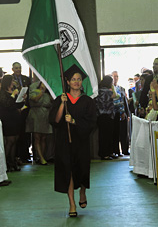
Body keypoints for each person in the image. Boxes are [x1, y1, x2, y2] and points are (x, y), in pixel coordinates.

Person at [49, 64, 96, 217]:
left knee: (82, 170)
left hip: (81, 141)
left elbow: (92, 123)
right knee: (68, 172)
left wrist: (75, 122)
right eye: (73, 79)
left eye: (79, 79)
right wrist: (63, 104)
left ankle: (82, 191)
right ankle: (72, 204)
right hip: (64, 141)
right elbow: (55, 121)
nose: (76, 82)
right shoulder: (60, 99)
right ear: (67, 82)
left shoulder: (87, 101)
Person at [0, 74, 26, 172]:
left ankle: (13, 162)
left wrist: (23, 98)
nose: (13, 82)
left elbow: (17, 104)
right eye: (12, 80)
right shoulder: (2, 93)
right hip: (7, 119)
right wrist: (13, 95)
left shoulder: (13, 91)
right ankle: (6, 163)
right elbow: (6, 104)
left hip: (15, 118)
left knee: (15, 140)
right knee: (9, 141)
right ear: (7, 82)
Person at [26, 80, 53, 165]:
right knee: (37, 137)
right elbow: (35, 99)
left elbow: (52, 101)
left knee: (44, 137)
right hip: (36, 115)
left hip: (45, 115)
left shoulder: (48, 93)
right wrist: (41, 92)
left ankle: (42, 156)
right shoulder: (34, 90)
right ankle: (40, 158)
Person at [12, 62, 31, 163]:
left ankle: (25, 155)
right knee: (16, 134)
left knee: (25, 134)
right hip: (15, 109)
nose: (18, 70)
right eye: (16, 68)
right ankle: (15, 156)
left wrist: (26, 97)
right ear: (12, 69)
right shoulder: (10, 79)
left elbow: (29, 91)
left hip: (25, 109)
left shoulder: (26, 79)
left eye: (19, 68)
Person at [95, 75, 116, 160]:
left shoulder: (99, 91)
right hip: (107, 115)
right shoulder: (107, 91)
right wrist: (113, 87)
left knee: (102, 135)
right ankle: (106, 153)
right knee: (107, 135)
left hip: (100, 115)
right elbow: (115, 95)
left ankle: (105, 153)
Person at [112, 71, 130, 156]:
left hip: (123, 113)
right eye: (114, 76)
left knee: (124, 132)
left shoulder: (121, 88)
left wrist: (127, 114)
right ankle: (116, 151)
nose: (115, 78)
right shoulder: (110, 90)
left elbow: (125, 102)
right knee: (115, 133)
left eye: (117, 76)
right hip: (114, 114)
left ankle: (125, 150)